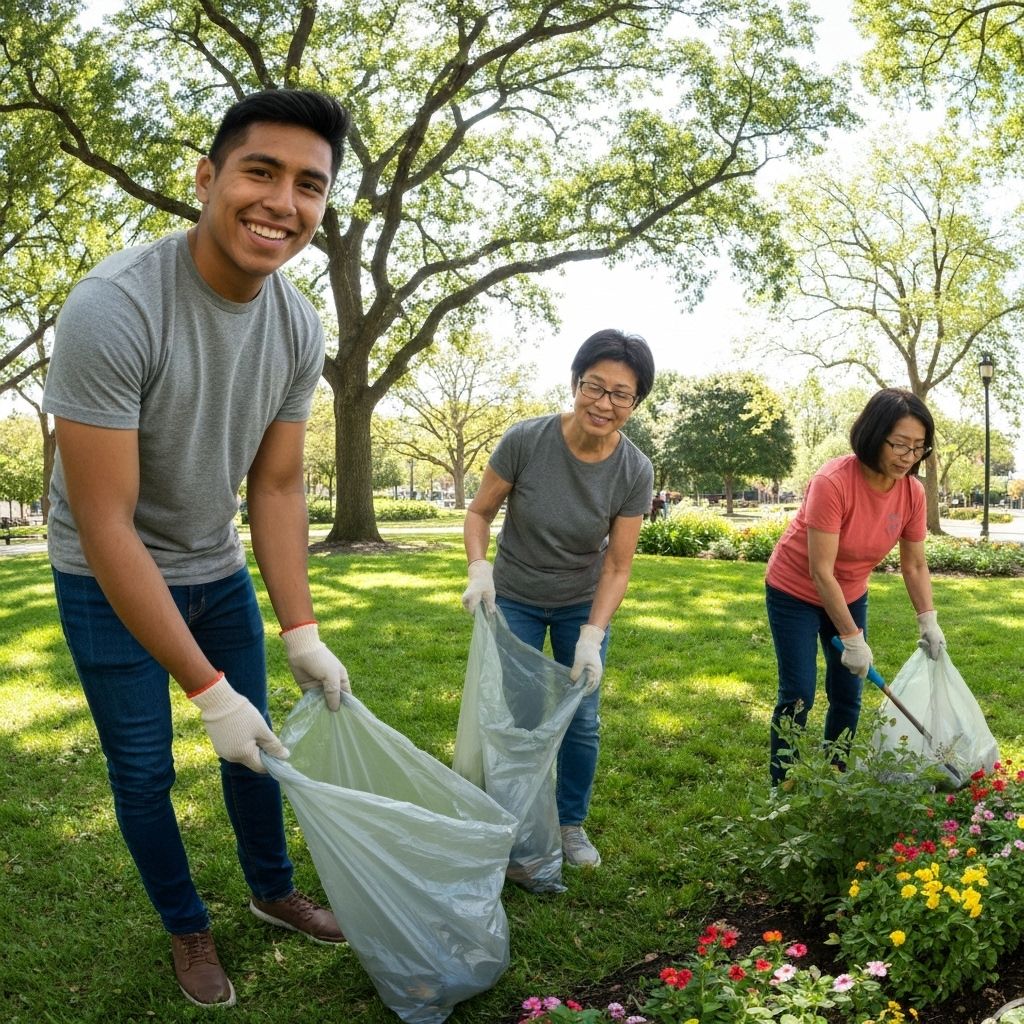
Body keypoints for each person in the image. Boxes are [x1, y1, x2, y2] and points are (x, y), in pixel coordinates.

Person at [43, 90, 351, 1007]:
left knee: (260, 752)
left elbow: (280, 485)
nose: (282, 203)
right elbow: (105, 522)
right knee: (144, 769)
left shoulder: (298, 325)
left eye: (309, 184)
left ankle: (270, 890)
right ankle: (187, 927)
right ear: (208, 177)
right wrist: (205, 689)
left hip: (213, 567)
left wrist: (299, 629)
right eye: (261, 171)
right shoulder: (114, 307)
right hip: (106, 573)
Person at [461, 329, 655, 868]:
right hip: (516, 595)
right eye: (595, 387)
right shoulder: (526, 441)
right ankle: (515, 819)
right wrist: (480, 569)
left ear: (634, 405)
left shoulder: (634, 469)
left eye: (621, 394)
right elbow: (479, 513)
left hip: (580, 601)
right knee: (520, 715)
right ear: (575, 384)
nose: (604, 403)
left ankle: (570, 825)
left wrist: (592, 636)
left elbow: (618, 563)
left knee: (582, 717)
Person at [764, 387, 946, 785]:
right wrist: (851, 636)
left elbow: (914, 564)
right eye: (899, 444)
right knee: (798, 693)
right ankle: (783, 783)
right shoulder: (833, 481)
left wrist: (927, 620)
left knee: (848, 693)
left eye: (919, 448)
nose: (908, 457)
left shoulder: (912, 493)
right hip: (795, 590)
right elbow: (820, 571)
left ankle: (836, 773)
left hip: (850, 592)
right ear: (874, 434)